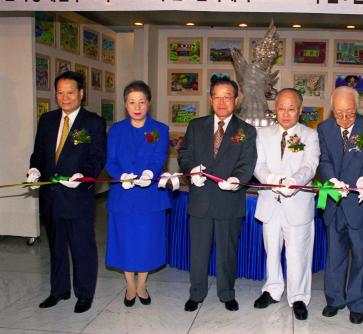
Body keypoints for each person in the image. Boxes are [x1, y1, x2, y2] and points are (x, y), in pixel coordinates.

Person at [27, 71, 106, 313]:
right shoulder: (47, 120)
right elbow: (38, 152)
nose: (65, 97)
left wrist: (82, 176)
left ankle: (84, 294)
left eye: (70, 92)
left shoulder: (93, 122)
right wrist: (33, 169)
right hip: (51, 198)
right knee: (56, 247)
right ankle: (58, 290)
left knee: (82, 247)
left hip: (77, 196)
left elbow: (97, 158)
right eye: (60, 92)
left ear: (81, 94)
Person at [178, 77, 257, 312]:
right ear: (211, 99)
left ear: (236, 100)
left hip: (229, 201)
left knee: (227, 253)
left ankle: (226, 293)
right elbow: (184, 154)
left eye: (227, 97)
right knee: (199, 252)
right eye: (217, 97)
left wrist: (238, 180)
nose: (222, 102)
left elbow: (247, 162)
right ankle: (196, 293)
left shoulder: (246, 130)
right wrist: (191, 171)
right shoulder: (196, 125)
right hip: (200, 199)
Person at [105, 80, 179, 307]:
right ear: (125, 104)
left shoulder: (159, 130)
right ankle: (129, 285)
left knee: (147, 241)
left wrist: (149, 172)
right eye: (131, 102)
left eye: (142, 102)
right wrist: (121, 176)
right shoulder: (116, 130)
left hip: (149, 197)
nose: (137, 107)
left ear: (149, 103)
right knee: (126, 241)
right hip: (123, 195)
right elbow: (110, 161)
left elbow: (159, 159)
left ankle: (142, 284)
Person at [253, 88, 320, 320]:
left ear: (300, 110)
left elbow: (310, 165)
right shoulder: (262, 134)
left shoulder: (310, 135)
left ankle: (298, 296)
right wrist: (270, 180)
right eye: (281, 108)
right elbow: (258, 164)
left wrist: (294, 181)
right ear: (275, 110)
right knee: (271, 251)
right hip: (270, 202)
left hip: (298, 203)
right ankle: (272, 290)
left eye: (291, 109)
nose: (286, 113)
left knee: (297, 254)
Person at [317, 86, 363, 324]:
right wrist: (331, 180)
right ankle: (334, 299)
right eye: (338, 113)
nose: (344, 119)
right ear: (332, 109)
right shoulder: (324, 128)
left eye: (350, 113)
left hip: (359, 202)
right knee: (335, 255)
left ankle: (358, 302)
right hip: (334, 201)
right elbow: (323, 159)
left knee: (362, 255)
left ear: (358, 107)